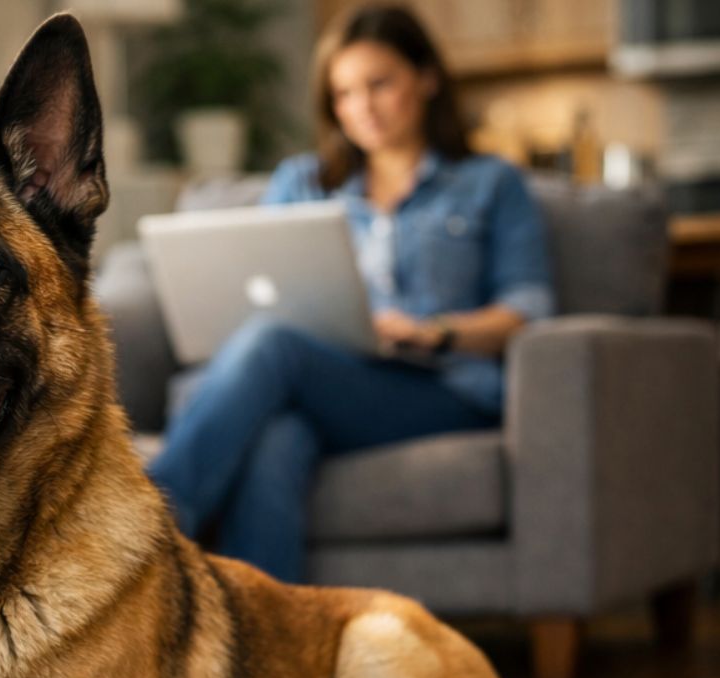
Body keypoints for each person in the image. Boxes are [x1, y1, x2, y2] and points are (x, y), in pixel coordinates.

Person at [146, 3, 554, 582]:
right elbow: (261, 292)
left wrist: (434, 330)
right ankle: (265, 653)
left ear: (427, 78)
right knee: (277, 440)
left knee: (272, 345)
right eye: (344, 94)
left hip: (439, 388)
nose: (362, 108)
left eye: (379, 84)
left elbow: (527, 311)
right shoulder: (302, 183)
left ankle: (147, 525)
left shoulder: (491, 183)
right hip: (327, 379)